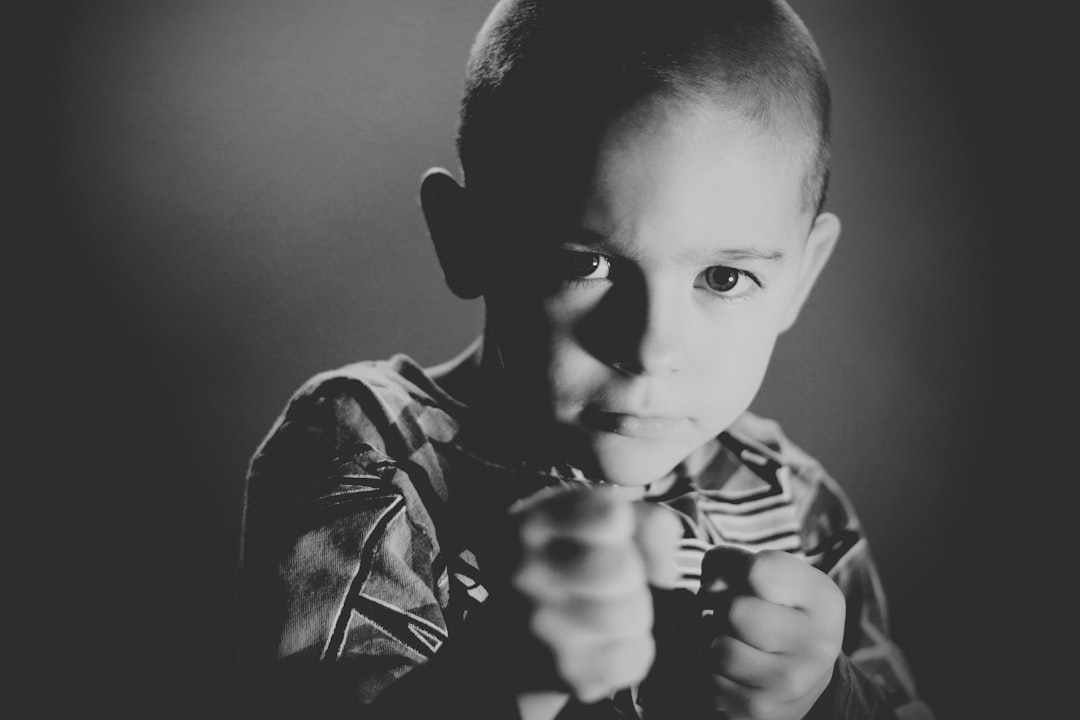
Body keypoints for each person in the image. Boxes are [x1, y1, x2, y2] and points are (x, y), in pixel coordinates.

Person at [237, 1, 933, 718]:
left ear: (801, 280)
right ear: (464, 240)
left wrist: (830, 695)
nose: (651, 347)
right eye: (585, 261)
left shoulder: (798, 508)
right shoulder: (366, 455)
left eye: (723, 278)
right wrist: (502, 679)